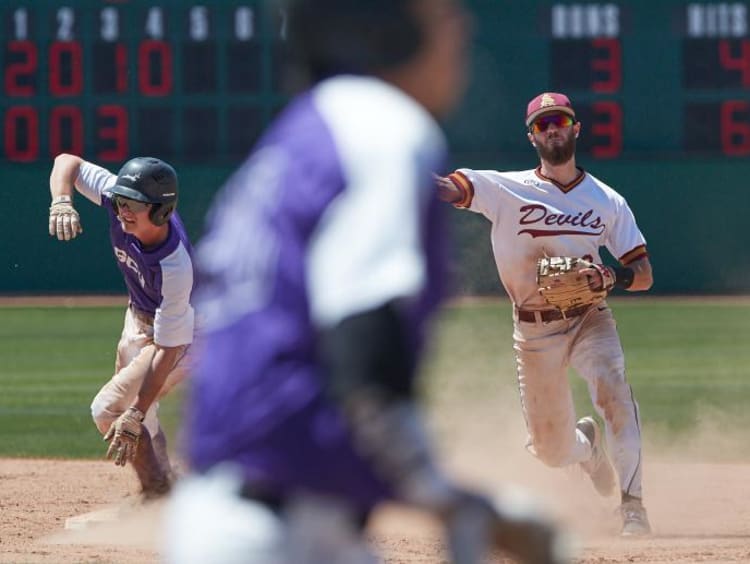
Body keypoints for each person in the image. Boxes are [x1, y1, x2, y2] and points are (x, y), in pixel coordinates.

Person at [164, 1, 569, 563]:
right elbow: (363, 347)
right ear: (388, 30)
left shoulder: (298, 136)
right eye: (442, 14)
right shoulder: (382, 126)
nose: (461, 27)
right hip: (281, 536)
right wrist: (443, 499)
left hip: (249, 517)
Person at [436, 92, 653, 537]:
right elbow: (452, 188)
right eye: (542, 124)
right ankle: (587, 450)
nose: (552, 129)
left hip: (590, 317)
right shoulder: (505, 189)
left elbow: (643, 272)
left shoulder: (607, 201)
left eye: (559, 121)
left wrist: (613, 278)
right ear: (532, 136)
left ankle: (632, 505)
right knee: (551, 451)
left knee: (614, 391)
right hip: (534, 330)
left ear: (576, 128)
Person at [48, 154, 195, 498]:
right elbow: (66, 161)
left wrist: (134, 412)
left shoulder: (175, 265)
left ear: (160, 211)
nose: (122, 210)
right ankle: (167, 486)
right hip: (139, 317)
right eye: (120, 202)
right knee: (145, 411)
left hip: (182, 335)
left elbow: (169, 347)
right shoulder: (118, 197)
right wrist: (62, 201)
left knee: (111, 409)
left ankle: (157, 489)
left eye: (133, 204)